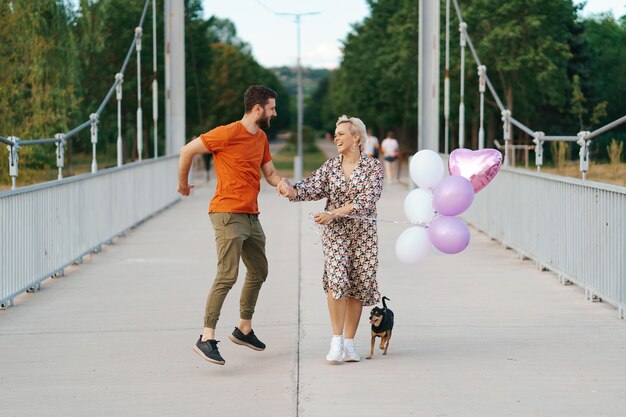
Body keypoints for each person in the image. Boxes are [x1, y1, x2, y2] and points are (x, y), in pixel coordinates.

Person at [177, 85, 289, 366]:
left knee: (259, 270)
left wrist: (282, 184)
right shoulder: (226, 133)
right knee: (227, 274)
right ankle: (205, 337)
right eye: (272, 108)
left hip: (251, 214)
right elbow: (187, 150)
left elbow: (270, 173)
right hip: (226, 212)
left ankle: (244, 329)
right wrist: (183, 184)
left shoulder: (261, 137)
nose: (275, 113)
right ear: (258, 108)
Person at [278, 115, 384, 363]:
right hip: (336, 233)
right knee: (337, 279)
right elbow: (310, 187)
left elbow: (366, 202)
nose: (336, 137)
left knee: (358, 285)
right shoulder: (330, 167)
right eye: (335, 134)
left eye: (341, 133)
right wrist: (289, 189)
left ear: (356, 137)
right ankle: (336, 341)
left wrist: (332, 213)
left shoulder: (373, 168)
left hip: (363, 235)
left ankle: (349, 343)